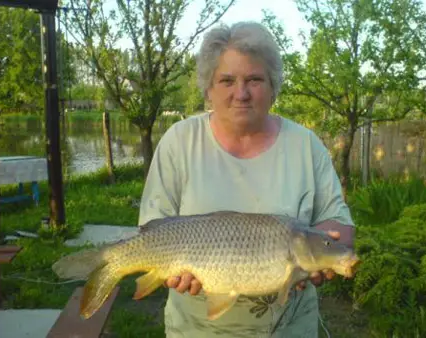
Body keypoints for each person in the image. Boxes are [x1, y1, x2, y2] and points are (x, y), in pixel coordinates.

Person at [138, 21, 356, 338]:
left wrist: (323, 252)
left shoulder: (305, 146)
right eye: (227, 80)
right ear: (208, 88)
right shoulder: (179, 142)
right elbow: (154, 224)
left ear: (273, 86)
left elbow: (340, 225)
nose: (241, 93)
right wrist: (170, 271)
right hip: (197, 328)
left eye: (254, 79)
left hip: (289, 327)